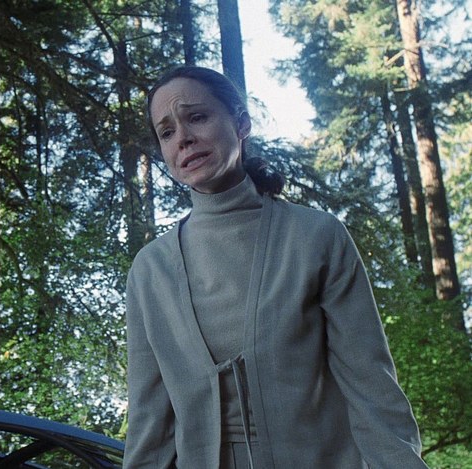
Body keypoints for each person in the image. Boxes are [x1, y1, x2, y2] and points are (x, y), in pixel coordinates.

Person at [123, 66, 428, 469]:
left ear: (241, 123)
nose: (184, 138)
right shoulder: (150, 271)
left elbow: (372, 388)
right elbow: (150, 423)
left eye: (196, 117)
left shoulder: (317, 237)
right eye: (166, 132)